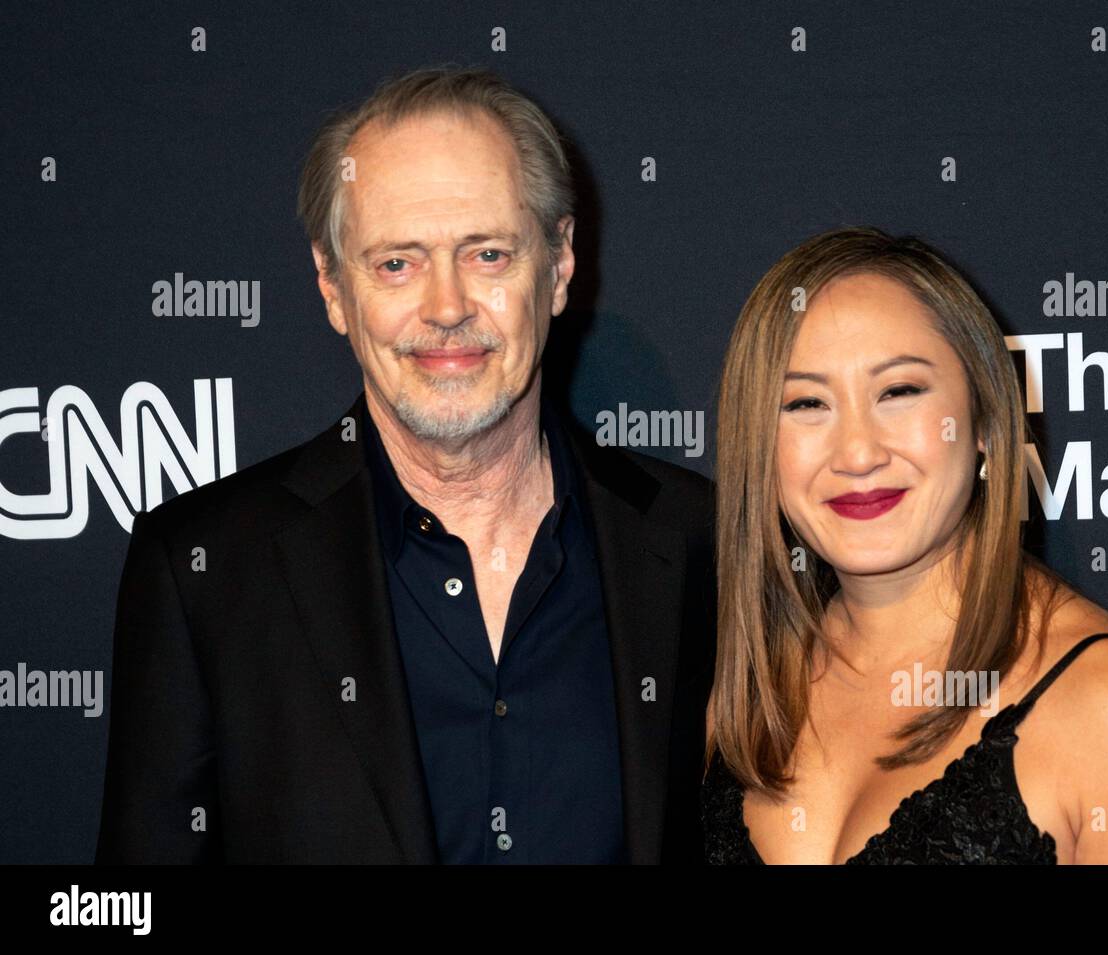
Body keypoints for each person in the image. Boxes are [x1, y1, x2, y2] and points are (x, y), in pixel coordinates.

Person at [95, 67, 716, 864]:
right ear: (331, 286)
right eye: (397, 263)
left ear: (558, 265)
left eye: (487, 253)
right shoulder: (205, 571)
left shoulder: (698, 543)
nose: (446, 305)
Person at [701, 227, 1108, 864]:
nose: (858, 453)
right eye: (807, 403)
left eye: (899, 392)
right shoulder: (749, 693)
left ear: (984, 422)